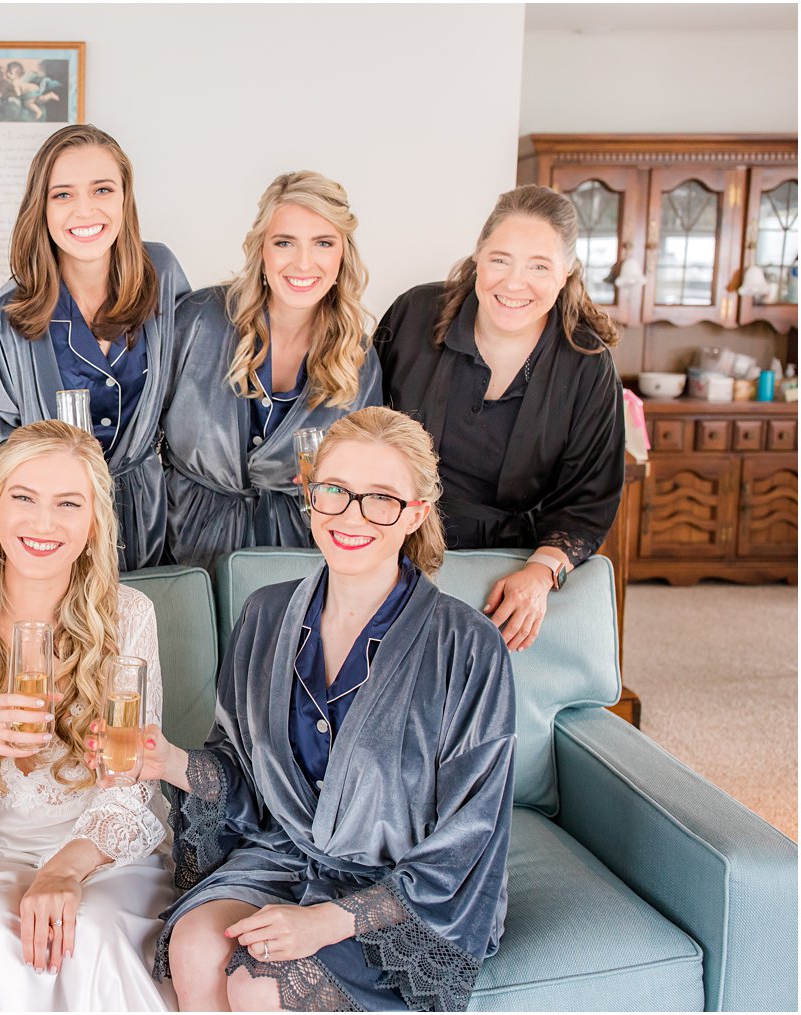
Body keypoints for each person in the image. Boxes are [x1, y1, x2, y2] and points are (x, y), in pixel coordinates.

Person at [150, 406, 515, 1012]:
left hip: (404, 891)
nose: (353, 516)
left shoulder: (468, 645)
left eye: (381, 499)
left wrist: (327, 922)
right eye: (337, 492)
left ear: (415, 514)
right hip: (288, 856)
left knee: (256, 985)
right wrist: (168, 762)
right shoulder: (265, 616)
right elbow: (244, 774)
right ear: (310, 495)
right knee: (194, 943)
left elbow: (468, 837)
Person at [0, 420, 176, 1012]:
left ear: (94, 520)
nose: (42, 524)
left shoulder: (128, 615)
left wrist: (64, 871)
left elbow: (131, 787)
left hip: (96, 851)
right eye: (23, 498)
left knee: (92, 935)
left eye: (67, 504)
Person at [375, 183, 625, 652]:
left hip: (510, 568)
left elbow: (589, 501)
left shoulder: (587, 362)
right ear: (478, 257)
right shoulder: (413, 315)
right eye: (500, 260)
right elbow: (364, 428)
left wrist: (539, 573)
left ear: (566, 272)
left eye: (538, 266)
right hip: (398, 551)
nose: (514, 283)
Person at [0, 123, 191, 572]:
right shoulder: (7, 316)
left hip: (147, 524)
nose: (84, 210)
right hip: (47, 533)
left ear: (125, 197)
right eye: (63, 194)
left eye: (102, 189)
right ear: (40, 207)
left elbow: (190, 397)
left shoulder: (160, 275)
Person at [162, 171, 382, 570]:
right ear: (261, 249)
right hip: (184, 545)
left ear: (342, 254)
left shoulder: (357, 356)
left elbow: (365, 473)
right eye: (285, 243)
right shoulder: (197, 320)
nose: (303, 262)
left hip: (299, 555)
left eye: (323, 243)